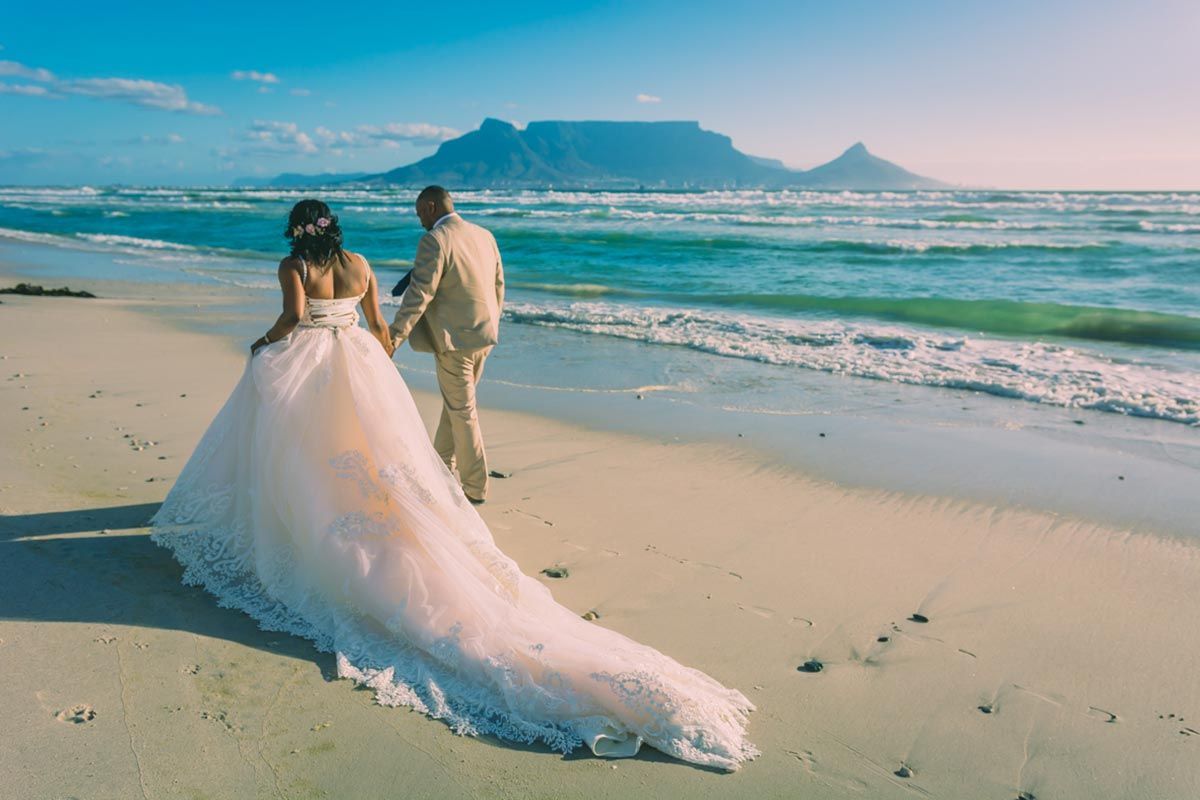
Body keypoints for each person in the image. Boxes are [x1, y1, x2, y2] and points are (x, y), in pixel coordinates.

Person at [149, 199, 759, 771]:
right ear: (334, 229)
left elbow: (290, 317)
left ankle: (316, 520)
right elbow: (379, 325)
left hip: (311, 361)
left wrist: (262, 346)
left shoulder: (294, 266)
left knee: (311, 453)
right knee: (374, 453)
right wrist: (380, 363)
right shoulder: (359, 264)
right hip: (360, 359)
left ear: (297, 233)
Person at [388, 186, 503, 504]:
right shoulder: (484, 235)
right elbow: (498, 285)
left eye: (418, 214)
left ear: (429, 207)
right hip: (484, 336)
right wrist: (493, 323)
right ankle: (439, 469)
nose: (419, 221)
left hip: (455, 343)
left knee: (463, 411)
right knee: (455, 408)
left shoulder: (434, 240)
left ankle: (474, 489)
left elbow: (420, 294)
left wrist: (394, 337)